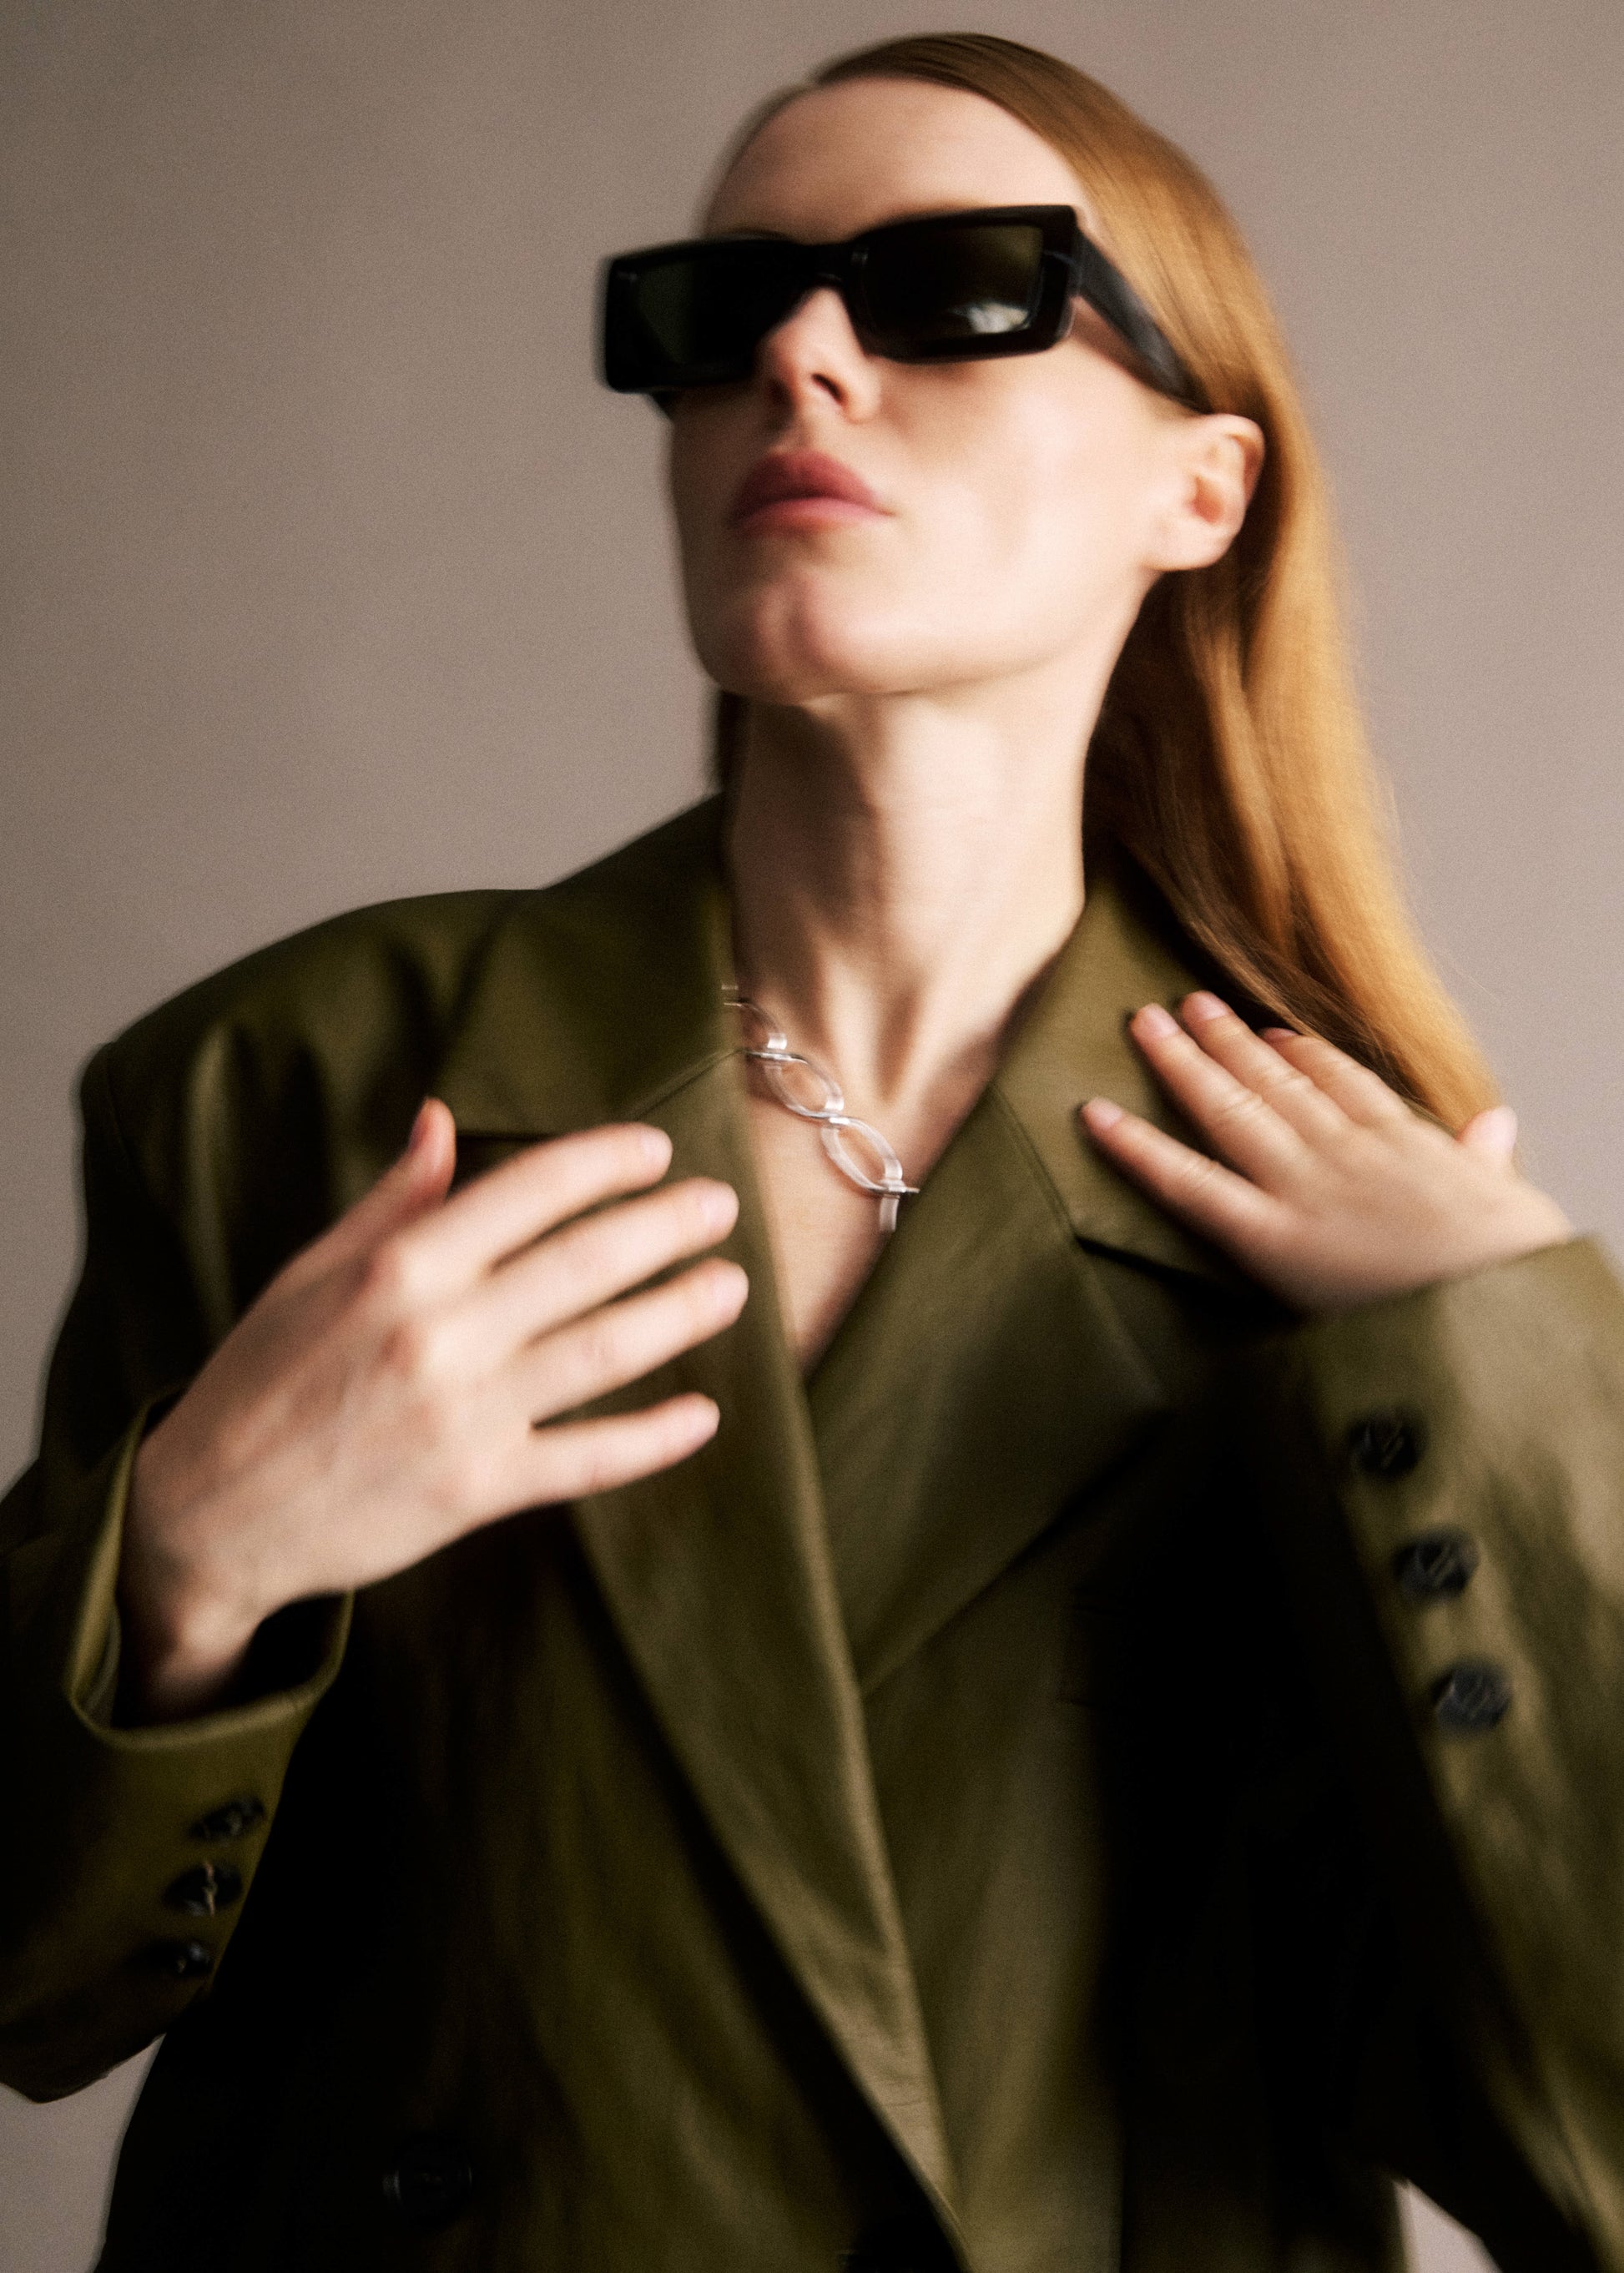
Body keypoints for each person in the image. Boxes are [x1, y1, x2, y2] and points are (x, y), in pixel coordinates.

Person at [1, 28, 1617, 2272]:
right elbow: (31, 1993)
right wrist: (189, 1558)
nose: (800, 358)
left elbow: (1591, 2155)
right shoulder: (299, 1086)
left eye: (952, 289)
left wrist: (1507, 1366)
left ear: (1202, 488)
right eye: (715, 310)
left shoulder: (1360, 1256)